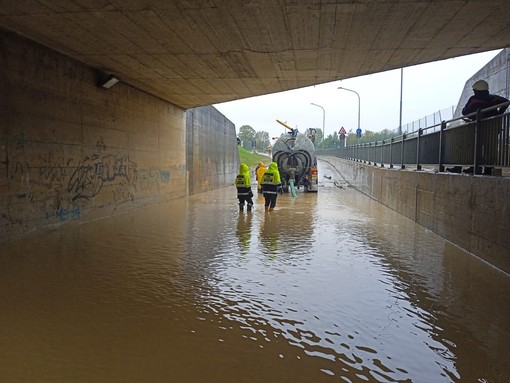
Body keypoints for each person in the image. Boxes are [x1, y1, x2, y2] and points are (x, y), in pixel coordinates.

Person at [461, 80, 509, 174]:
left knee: (475, 147)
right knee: (490, 148)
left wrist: (473, 116)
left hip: (478, 127)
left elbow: (465, 112)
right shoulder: (494, 98)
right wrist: (499, 114)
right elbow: (506, 102)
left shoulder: (474, 99)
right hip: (493, 127)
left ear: (476, 90)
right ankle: (488, 168)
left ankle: (475, 167)